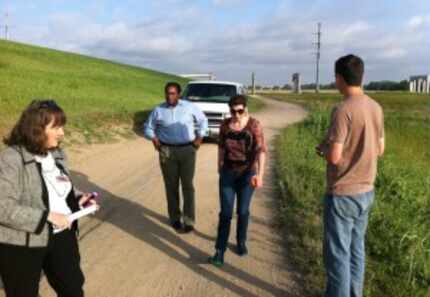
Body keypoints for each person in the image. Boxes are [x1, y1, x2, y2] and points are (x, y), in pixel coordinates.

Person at [0, 99, 100, 297]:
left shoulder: (57, 154)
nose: (62, 133)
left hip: (63, 235)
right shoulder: (11, 158)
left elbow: (57, 187)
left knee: (72, 289)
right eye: (56, 127)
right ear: (36, 128)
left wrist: (78, 198)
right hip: (22, 243)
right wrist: (47, 216)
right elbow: (2, 207)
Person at [316, 55, 385, 297]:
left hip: (342, 194)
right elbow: (380, 149)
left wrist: (322, 149)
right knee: (357, 250)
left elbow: (334, 157)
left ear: (339, 78)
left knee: (337, 257)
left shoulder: (342, 109)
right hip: (367, 191)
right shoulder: (376, 107)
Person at [209, 95, 267, 267]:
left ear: (245, 109)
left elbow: (261, 151)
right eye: (233, 111)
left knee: (242, 211)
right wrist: (219, 166)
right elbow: (220, 146)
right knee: (226, 213)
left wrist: (260, 175)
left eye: (240, 111)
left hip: (247, 174)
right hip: (228, 173)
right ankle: (219, 251)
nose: (236, 114)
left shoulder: (254, 125)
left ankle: (241, 240)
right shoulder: (225, 125)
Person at [144, 82, 208, 233]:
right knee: (171, 186)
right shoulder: (158, 110)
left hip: (187, 149)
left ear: (179, 94)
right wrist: (154, 139)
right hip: (166, 150)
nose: (169, 96)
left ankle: (189, 220)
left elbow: (203, 121)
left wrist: (199, 138)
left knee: (187, 186)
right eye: (167, 93)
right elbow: (148, 126)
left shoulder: (189, 107)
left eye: (172, 93)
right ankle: (174, 218)